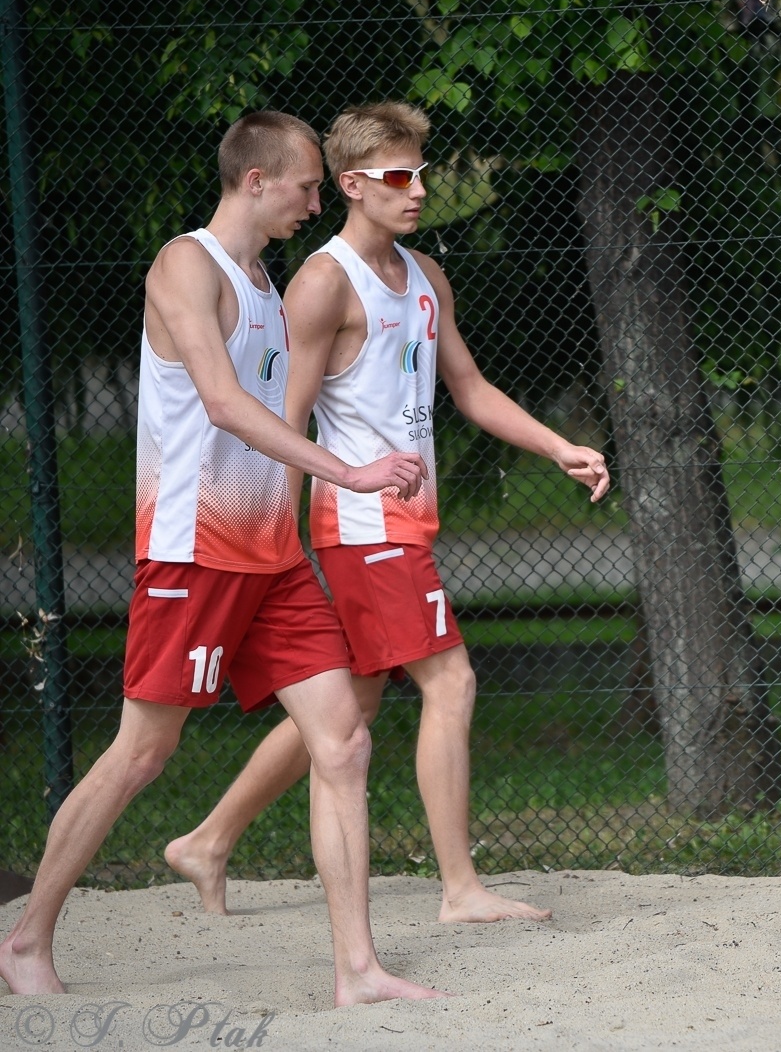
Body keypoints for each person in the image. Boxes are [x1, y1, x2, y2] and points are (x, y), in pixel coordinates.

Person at [0, 113, 444, 1004]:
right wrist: (349, 472)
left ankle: (357, 970)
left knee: (344, 740)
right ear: (255, 180)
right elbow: (225, 404)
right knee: (143, 752)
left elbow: (274, 413)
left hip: (272, 557)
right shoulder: (186, 265)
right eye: (307, 187)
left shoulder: (268, 283)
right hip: (193, 551)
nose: (315, 204)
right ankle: (25, 939)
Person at [165, 102, 610, 923]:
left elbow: (468, 388)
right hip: (362, 528)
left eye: (421, 174)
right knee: (453, 681)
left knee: (353, 704)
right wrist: (277, 539)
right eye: (399, 177)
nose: (418, 191)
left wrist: (559, 447)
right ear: (351, 185)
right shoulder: (323, 282)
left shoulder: (426, 275)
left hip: (401, 524)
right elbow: (287, 420)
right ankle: (460, 888)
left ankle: (208, 840)